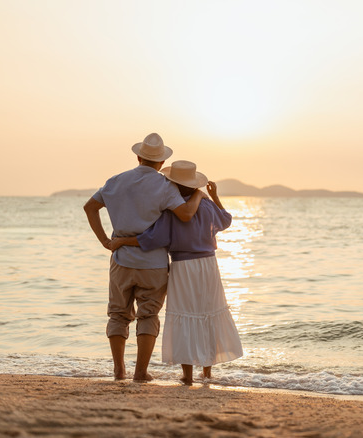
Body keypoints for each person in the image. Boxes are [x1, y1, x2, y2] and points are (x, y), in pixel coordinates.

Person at [83, 133, 206, 382]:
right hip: (154, 263)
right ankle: (140, 372)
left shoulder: (116, 181)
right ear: (161, 163)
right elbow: (184, 215)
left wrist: (106, 241)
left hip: (121, 259)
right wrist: (198, 195)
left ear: (138, 156)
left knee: (118, 314)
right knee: (148, 315)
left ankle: (119, 371)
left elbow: (90, 207)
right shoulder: (165, 186)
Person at [110, 160, 243, 385]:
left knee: (185, 315)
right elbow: (226, 220)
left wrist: (122, 240)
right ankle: (207, 372)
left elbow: (151, 239)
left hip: (183, 267)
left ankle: (188, 375)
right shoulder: (208, 205)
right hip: (209, 267)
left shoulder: (172, 211)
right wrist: (214, 196)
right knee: (207, 312)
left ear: (174, 184)